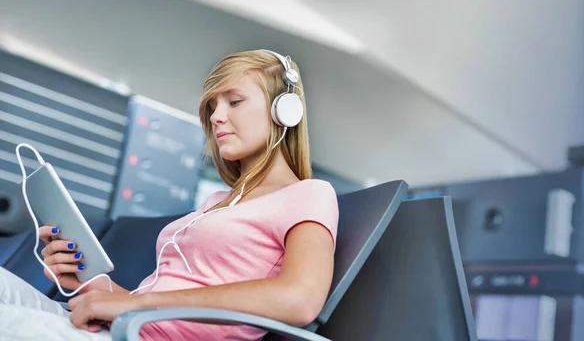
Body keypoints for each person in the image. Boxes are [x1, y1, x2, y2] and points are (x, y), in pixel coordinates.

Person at [0, 50, 339, 340]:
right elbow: (151, 304)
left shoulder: (308, 195)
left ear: (285, 111)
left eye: (234, 101)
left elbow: (301, 298)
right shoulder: (215, 203)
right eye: (212, 106)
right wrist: (87, 281)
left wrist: (134, 305)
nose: (217, 117)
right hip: (125, 329)